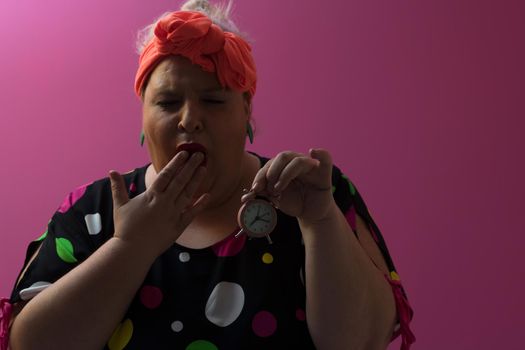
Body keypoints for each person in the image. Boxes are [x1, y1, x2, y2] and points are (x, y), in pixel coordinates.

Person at [0, 1, 414, 349]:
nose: (190, 120)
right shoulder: (92, 211)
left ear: (247, 109)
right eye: (167, 101)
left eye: (213, 100)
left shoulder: (312, 192)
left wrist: (321, 222)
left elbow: (365, 341)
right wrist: (129, 248)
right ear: (142, 113)